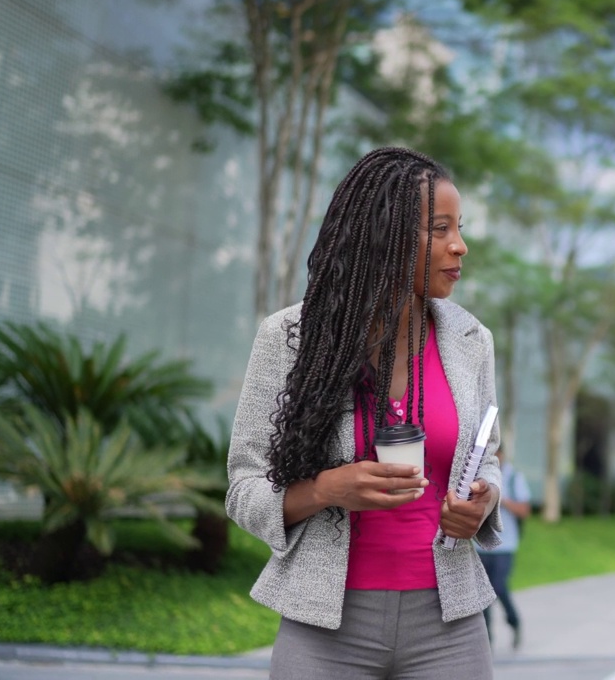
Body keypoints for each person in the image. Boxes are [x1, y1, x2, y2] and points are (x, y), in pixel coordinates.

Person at [226, 147, 503, 680]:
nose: (460, 246)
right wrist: (327, 490)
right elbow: (243, 487)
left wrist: (483, 500)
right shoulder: (290, 339)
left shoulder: (472, 341)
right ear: (384, 234)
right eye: (439, 229)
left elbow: (485, 456)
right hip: (326, 629)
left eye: (459, 227)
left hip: (448, 626)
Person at [476, 446, 531, 649]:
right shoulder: (477, 476)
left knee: (499, 586)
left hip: (505, 545)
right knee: (484, 593)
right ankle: (487, 638)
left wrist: (500, 499)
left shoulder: (513, 477)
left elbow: (524, 510)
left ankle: (514, 621)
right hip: (481, 545)